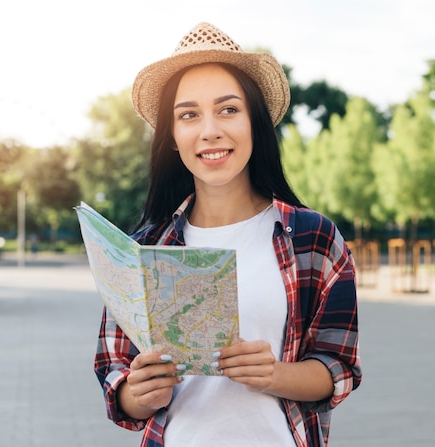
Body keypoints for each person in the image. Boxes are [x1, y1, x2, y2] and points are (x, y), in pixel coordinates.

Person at [94, 22, 362, 447]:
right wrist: (140, 392)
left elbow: (338, 368)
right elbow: (116, 378)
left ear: (255, 121)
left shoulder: (314, 238)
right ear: (174, 137)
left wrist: (275, 374)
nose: (210, 130)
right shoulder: (143, 249)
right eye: (188, 115)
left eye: (228, 109)